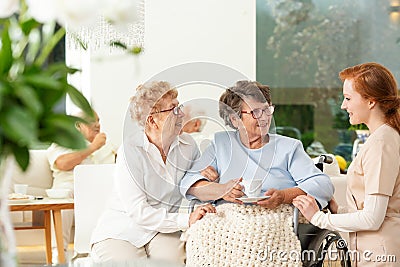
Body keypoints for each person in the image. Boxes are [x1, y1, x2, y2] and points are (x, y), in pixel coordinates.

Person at [90, 81, 216, 264]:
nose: (181, 113)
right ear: (152, 120)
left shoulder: (188, 145)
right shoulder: (131, 150)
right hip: (122, 229)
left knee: (174, 261)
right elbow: (138, 212)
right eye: (173, 109)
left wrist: (202, 175)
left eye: (178, 106)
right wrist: (186, 219)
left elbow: (192, 184)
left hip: (164, 229)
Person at [293, 62, 400, 266]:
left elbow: (373, 218)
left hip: (381, 255)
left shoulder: (382, 143)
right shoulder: (382, 138)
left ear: (371, 101)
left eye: (348, 98)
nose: (343, 105)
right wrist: (339, 210)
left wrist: (319, 219)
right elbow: (377, 210)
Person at [180, 80, 334, 209]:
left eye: (267, 110)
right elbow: (188, 183)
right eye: (255, 112)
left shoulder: (288, 148)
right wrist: (221, 190)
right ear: (235, 119)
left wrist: (283, 196)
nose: (265, 117)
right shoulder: (221, 143)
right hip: (228, 222)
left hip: (273, 221)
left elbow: (322, 184)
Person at [46, 110, 116, 258]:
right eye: (92, 120)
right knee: (64, 196)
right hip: (69, 189)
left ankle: (94, 254)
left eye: (98, 120)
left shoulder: (107, 145)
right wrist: (92, 147)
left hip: (98, 190)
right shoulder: (64, 140)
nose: (97, 124)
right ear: (78, 125)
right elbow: (62, 163)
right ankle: (58, 254)